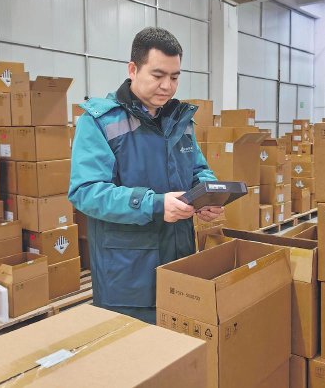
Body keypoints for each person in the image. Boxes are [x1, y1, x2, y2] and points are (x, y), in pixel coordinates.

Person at [68, 27, 223, 324]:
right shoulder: (99, 122)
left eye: (175, 77)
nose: (167, 86)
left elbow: (197, 169)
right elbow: (86, 192)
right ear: (133, 69)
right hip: (128, 276)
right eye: (158, 75)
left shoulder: (179, 120)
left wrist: (207, 194)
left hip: (179, 262)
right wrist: (154, 204)